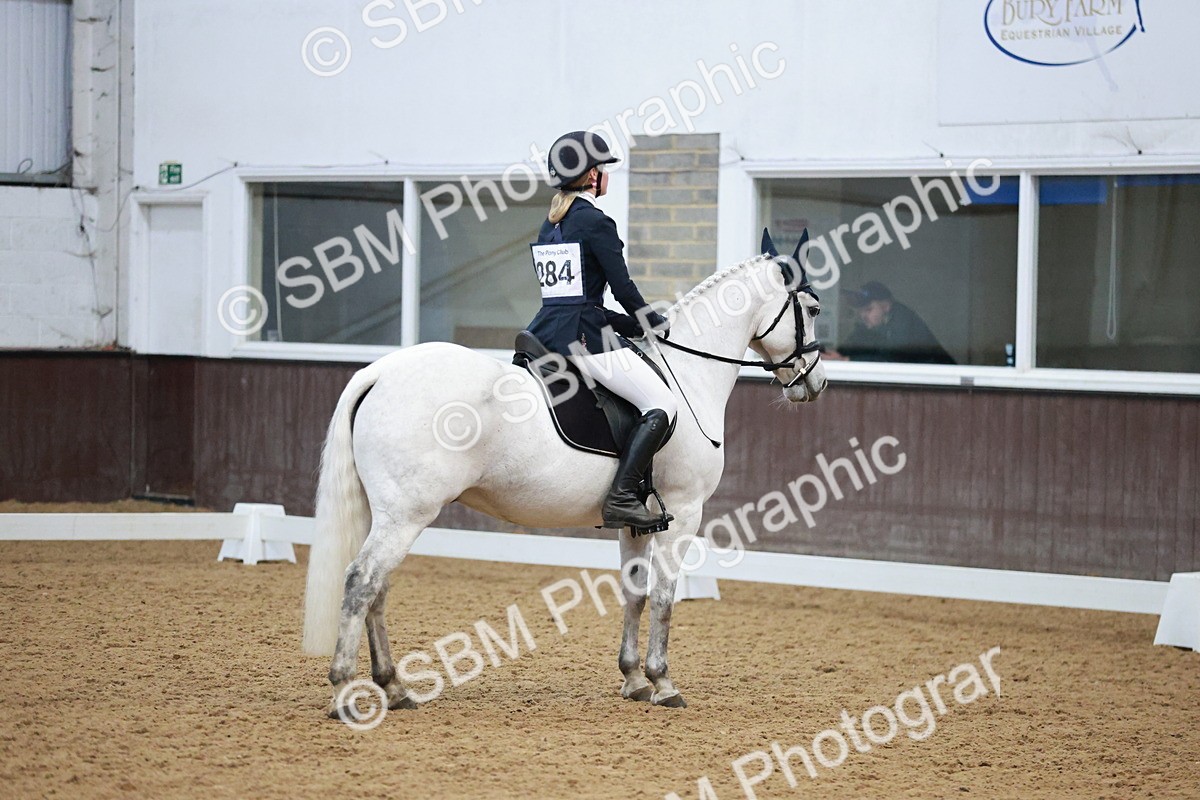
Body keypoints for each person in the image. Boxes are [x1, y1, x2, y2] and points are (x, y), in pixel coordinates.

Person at [525, 130, 678, 529]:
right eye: (603, 168)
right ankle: (622, 496)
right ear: (593, 175)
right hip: (583, 341)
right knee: (662, 404)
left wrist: (635, 325)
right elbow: (622, 289)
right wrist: (651, 319)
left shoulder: (550, 224)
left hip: (544, 333)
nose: (606, 174)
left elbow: (576, 301)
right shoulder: (595, 222)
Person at [824, 281, 955, 364]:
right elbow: (854, 343)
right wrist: (835, 354)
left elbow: (891, 359)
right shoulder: (871, 325)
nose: (863, 315)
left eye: (869, 310)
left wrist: (846, 359)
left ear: (886, 306)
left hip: (941, 383)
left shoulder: (903, 321)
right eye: (861, 311)